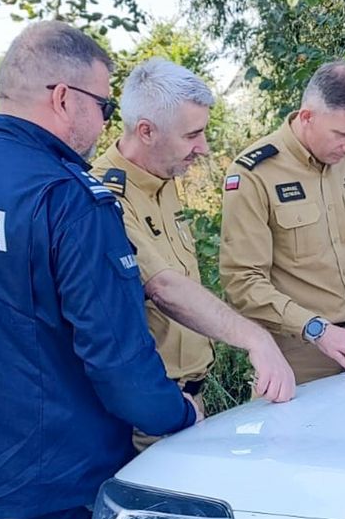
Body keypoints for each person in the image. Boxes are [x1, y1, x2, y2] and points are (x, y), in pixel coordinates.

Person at [0, 22, 202, 519]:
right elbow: (118, 360)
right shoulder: (68, 198)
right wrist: (180, 416)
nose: (105, 121)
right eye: (104, 104)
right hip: (56, 483)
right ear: (63, 98)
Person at [91, 58, 295, 448]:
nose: (203, 148)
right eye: (191, 135)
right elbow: (164, 287)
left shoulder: (164, 177)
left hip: (189, 402)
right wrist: (257, 339)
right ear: (146, 131)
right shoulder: (105, 197)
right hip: (146, 414)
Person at [219, 60, 345, 384]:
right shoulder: (255, 173)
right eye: (341, 135)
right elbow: (243, 281)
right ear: (307, 116)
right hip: (296, 353)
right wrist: (316, 328)